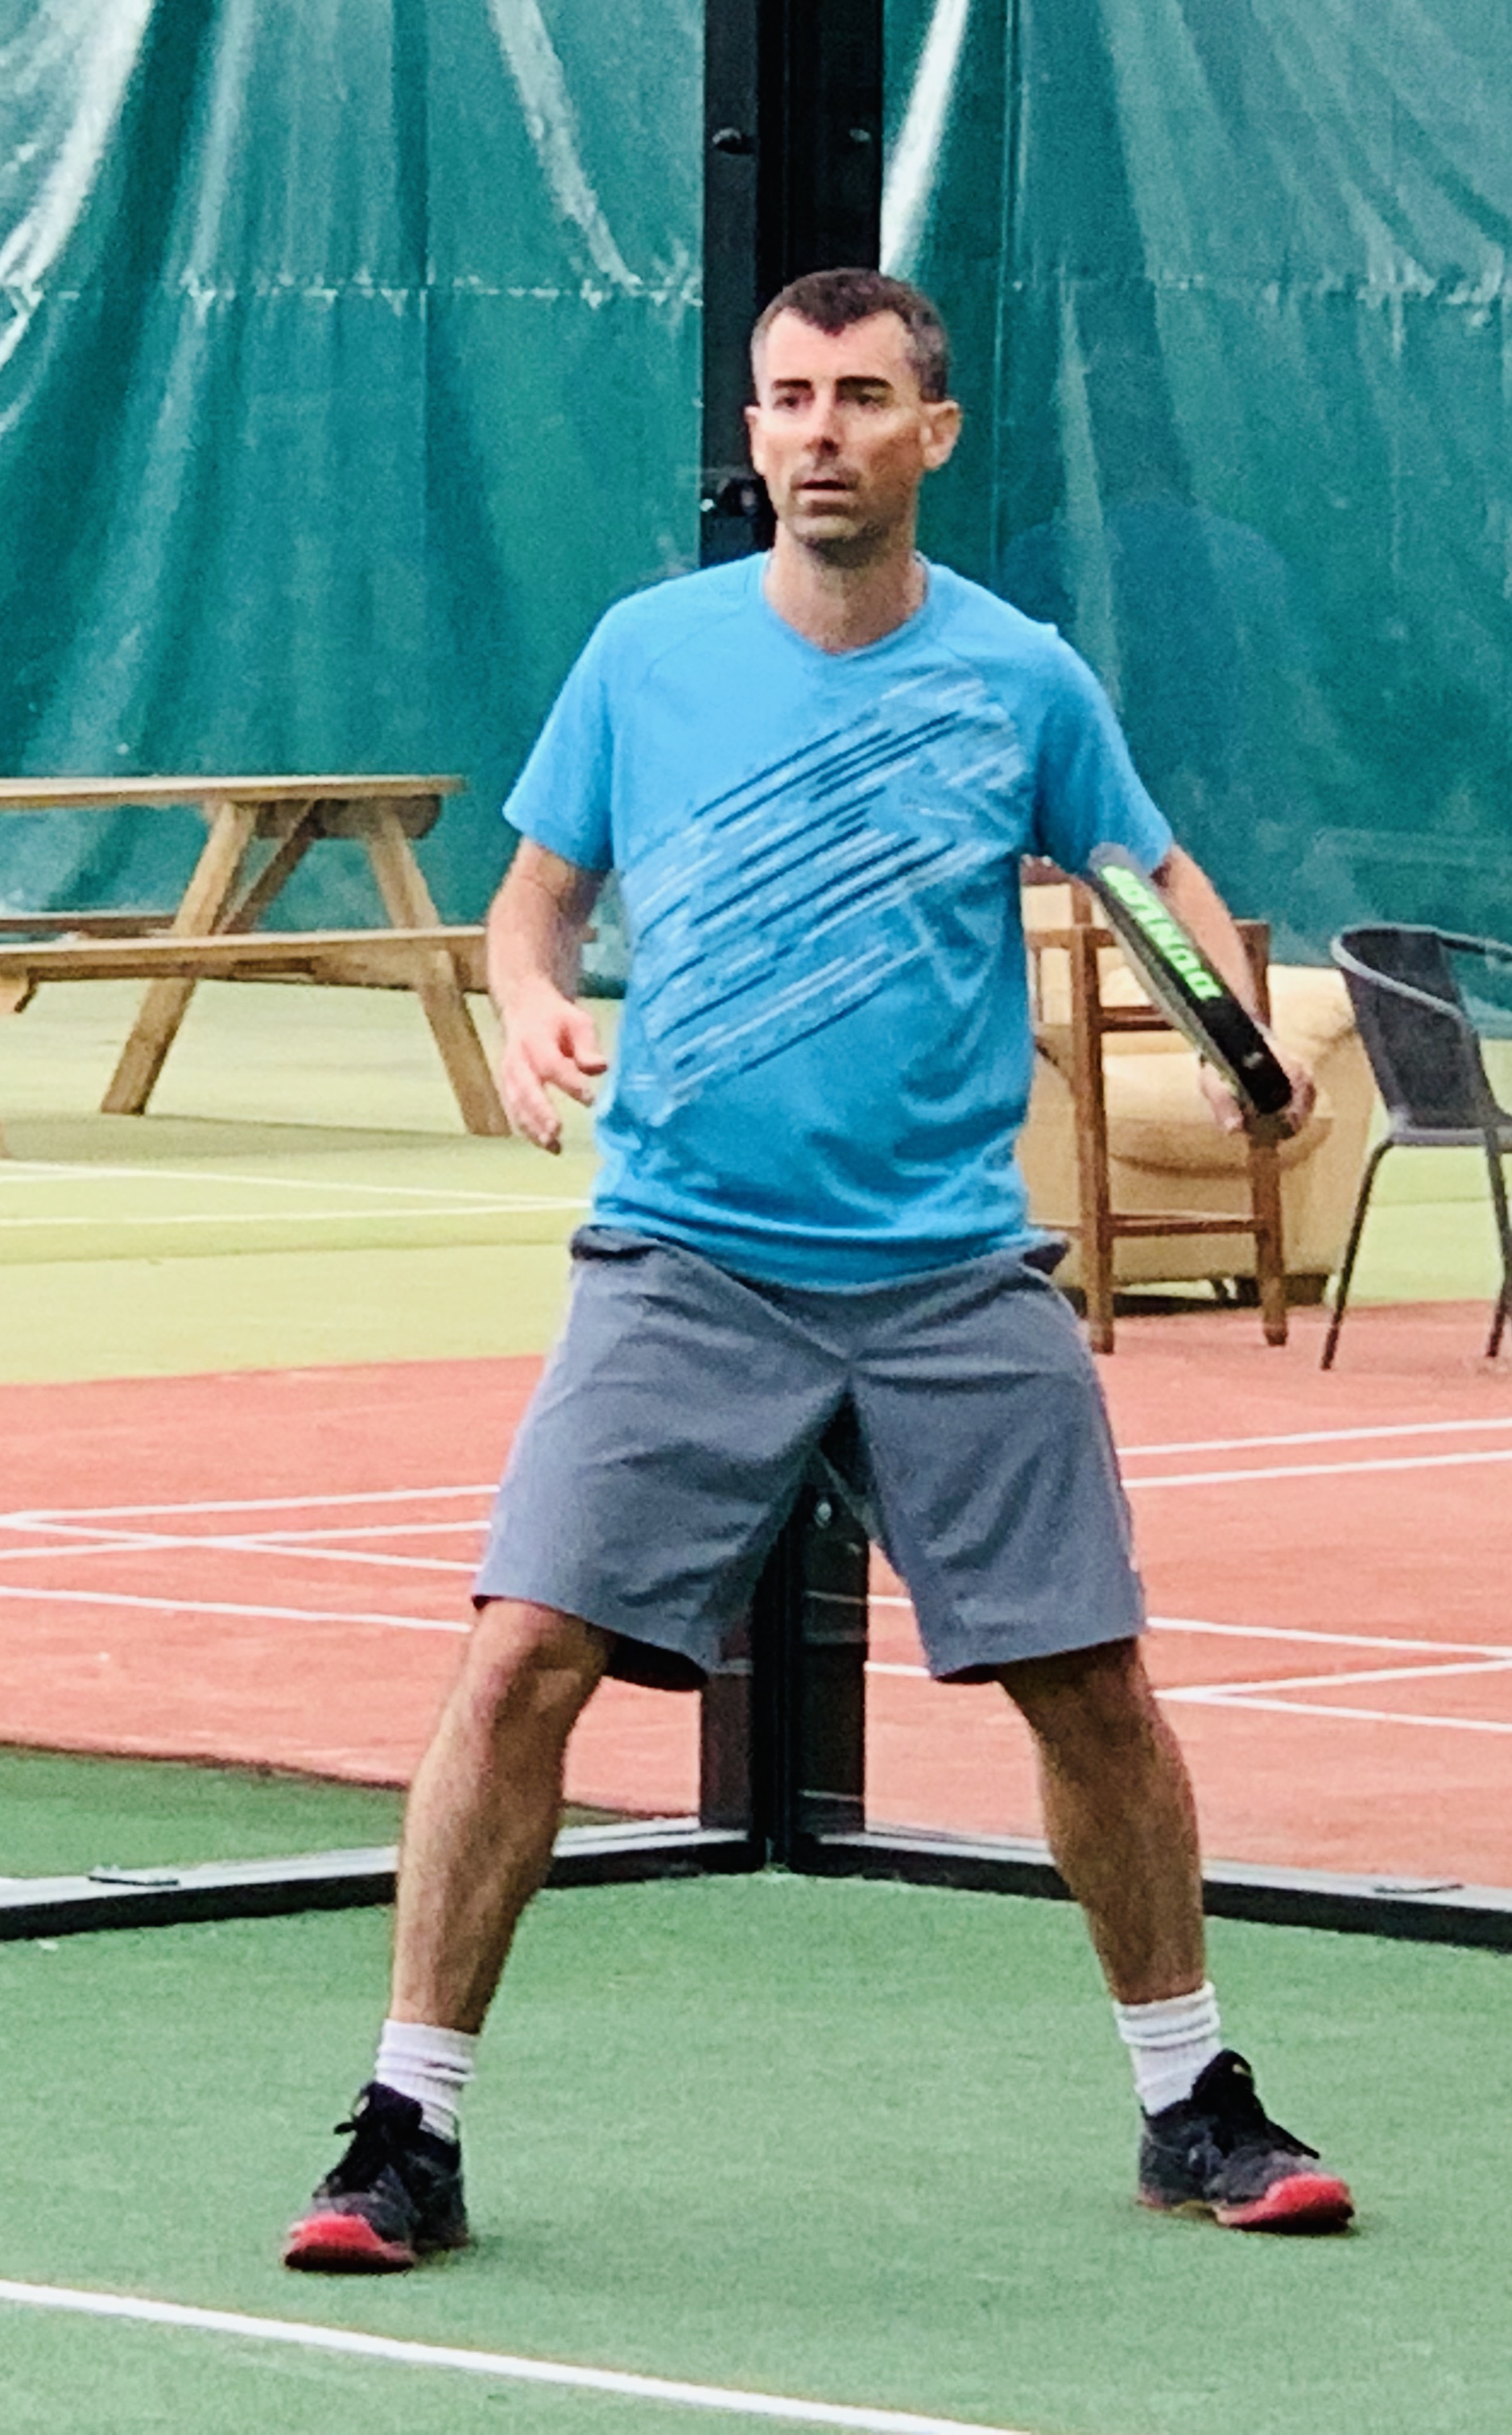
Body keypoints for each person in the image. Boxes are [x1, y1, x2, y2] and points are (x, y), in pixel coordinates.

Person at [283, 270, 1351, 2273]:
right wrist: (527, 1005)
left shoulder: (1023, 677)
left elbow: (1145, 878)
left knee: (1092, 1686)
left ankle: (1191, 2103)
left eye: (862, 398)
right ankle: (407, 2130)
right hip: (686, 1259)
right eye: (788, 399)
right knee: (518, 1661)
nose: (819, 433)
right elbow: (535, 902)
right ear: (756, 432)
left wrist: (1238, 1037)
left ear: (933, 432)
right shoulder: (647, 654)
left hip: (950, 1274)